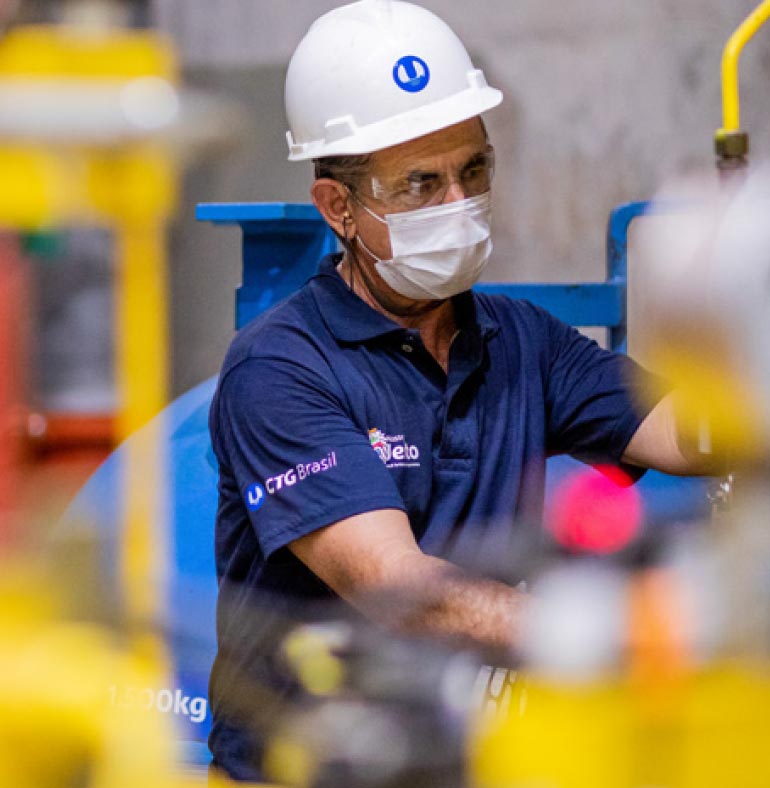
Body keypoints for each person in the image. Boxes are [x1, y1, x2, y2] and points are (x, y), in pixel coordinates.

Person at [207, 0, 714, 779]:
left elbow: (683, 428)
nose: (459, 206)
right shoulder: (281, 369)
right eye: (420, 185)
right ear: (339, 207)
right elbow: (400, 588)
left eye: (473, 171)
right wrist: (610, 633)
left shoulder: (522, 340)